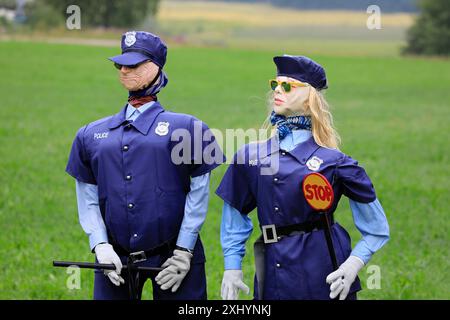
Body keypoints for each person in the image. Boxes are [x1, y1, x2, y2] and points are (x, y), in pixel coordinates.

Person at [216, 55, 390, 300]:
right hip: (271, 270)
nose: (278, 90)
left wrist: (353, 264)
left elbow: (377, 229)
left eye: (287, 86)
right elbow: (234, 216)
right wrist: (232, 267)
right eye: (274, 84)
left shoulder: (336, 162)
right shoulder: (250, 155)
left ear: (309, 100)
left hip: (323, 271)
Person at [66, 31, 224, 300]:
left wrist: (184, 250)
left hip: (174, 257)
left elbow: (199, 194)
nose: (125, 70)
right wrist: (100, 244)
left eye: (134, 64)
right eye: (120, 65)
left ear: (156, 67)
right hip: (114, 258)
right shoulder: (89, 134)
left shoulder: (189, 128)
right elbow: (87, 197)